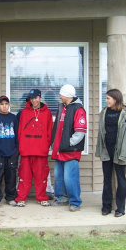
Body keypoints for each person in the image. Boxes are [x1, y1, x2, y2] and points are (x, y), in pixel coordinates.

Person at [96, 89, 126, 217]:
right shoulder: (104, 112)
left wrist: (125, 152)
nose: (106, 100)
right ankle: (106, 206)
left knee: (121, 179)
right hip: (107, 151)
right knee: (107, 179)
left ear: (115, 99)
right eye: (106, 98)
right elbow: (101, 133)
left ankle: (120, 208)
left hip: (120, 152)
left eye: (108, 98)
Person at [50, 84, 87, 212]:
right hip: (59, 150)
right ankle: (61, 198)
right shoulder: (61, 107)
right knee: (59, 176)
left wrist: (68, 144)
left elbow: (80, 132)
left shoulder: (78, 109)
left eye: (61, 94)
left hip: (70, 151)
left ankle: (75, 201)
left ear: (68, 95)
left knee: (70, 177)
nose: (60, 97)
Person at [15, 89, 53, 207]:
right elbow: (20, 131)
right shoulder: (24, 112)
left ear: (40, 98)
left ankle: (41, 197)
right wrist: (21, 146)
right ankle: (21, 197)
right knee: (24, 175)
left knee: (41, 176)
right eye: (32, 98)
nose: (34, 101)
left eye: (36, 98)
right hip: (26, 150)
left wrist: (46, 146)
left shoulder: (47, 113)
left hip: (40, 151)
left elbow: (49, 132)